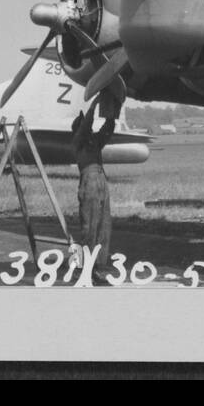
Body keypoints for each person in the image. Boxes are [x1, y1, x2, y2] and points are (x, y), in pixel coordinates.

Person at [72, 95, 117, 281]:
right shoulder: (78, 141)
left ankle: (98, 266)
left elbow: (107, 130)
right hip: (90, 182)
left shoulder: (93, 142)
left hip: (100, 181)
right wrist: (93, 107)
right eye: (86, 126)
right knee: (89, 226)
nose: (90, 128)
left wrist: (113, 111)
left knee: (103, 226)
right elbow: (84, 128)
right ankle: (85, 268)